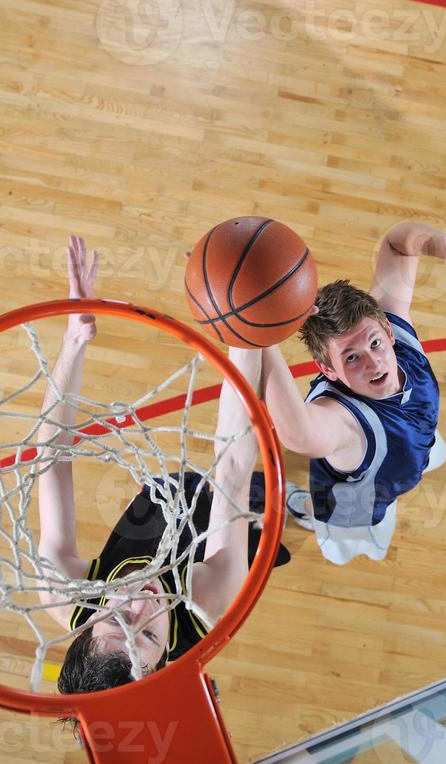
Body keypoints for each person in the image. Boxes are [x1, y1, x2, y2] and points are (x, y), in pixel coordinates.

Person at [35, 236, 287, 712]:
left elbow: (52, 459)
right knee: (272, 503)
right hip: (218, 531)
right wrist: (247, 332)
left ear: (87, 622)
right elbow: (231, 467)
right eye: (148, 631)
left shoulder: (63, 593)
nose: (141, 603)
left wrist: (74, 339)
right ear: (165, 652)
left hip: (162, 507)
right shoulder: (207, 605)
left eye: (115, 619)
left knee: (189, 488)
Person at [260, 221, 446, 565]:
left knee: (432, 454)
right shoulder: (342, 419)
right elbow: (299, 434)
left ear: (387, 329)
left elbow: (398, 244)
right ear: (328, 370)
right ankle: (306, 508)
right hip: (358, 504)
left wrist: (441, 245)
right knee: (349, 550)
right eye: (351, 357)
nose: (372, 362)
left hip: (417, 444)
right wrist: (255, 335)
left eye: (375, 343)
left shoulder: (394, 324)